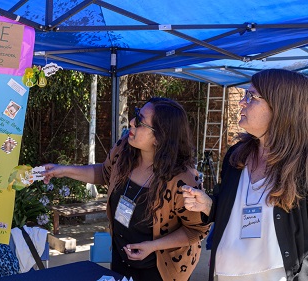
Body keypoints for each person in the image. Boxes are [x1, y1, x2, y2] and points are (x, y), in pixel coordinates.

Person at [43, 97, 210, 281]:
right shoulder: (124, 149)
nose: (132, 122)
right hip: (121, 257)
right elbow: (105, 173)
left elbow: (196, 230)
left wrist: (153, 246)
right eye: (136, 113)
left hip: (161, 269)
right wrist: (64, 170)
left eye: (140, 121)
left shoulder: (183, 180)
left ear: (160, 137)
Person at [182, 69, 308, 281]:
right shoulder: (236, 156)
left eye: (251, 97)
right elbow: (231, 208)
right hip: (226, 273)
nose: (242, 102)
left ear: (280, 107)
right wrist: (207, 205)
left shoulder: (302, 165)